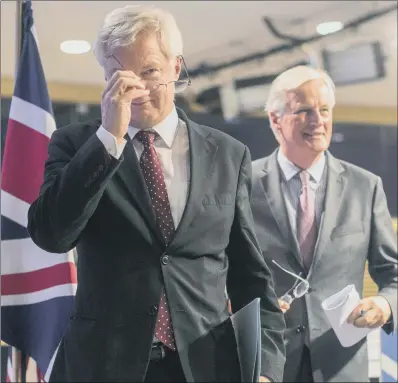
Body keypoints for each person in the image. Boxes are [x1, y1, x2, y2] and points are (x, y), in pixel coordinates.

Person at [27, 5, 286, 383]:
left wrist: (265, 369)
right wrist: (108, 141)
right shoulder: (75, 145)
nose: (137, 89)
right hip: (103, 364)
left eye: (149, 72)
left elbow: (251, 275)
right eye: (120, 75)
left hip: (206, 365)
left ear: (176, 67)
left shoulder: (228, 155)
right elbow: (50, 234)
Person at [250, 65, 397, 382]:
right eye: (304, 111)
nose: (318, 121)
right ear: (275, 120)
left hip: (342, 366)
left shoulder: (365, 187)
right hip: (267, 366)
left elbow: (394, 273)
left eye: (325, 109)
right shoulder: (242, 184)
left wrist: (385, 304)